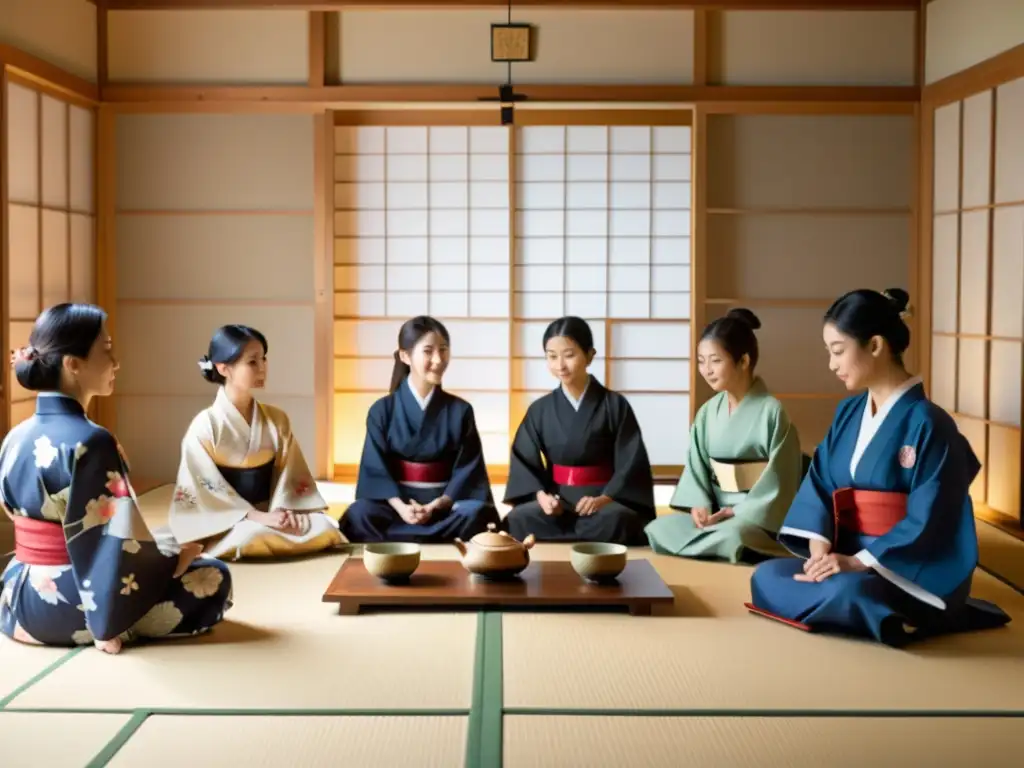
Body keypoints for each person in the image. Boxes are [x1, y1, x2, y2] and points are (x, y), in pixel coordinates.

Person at [747, 289, 1010, 646]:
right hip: (846, 558)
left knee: (852, 591)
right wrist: (821, 552)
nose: (831, 364)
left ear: (875, 345)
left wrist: (859, 562)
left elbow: (932, 518)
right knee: (766, 576)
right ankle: (871, 613)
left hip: (905, 568)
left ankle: (885, 610)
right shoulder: (848, 413)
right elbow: (820, 483)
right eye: (829, 353)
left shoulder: (930, 423)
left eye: (838, 351)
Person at [0, 304, 232, 655]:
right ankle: (107, 622)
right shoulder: (91, 441)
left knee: (169, 544)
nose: (116, 362)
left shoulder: (14, 436)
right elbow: (113, 544)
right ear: (72, 364)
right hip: (69, 603)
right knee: (213, 578)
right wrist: (171, 560)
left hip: (16, 596)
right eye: (106, 350)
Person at [166, 325, 343, 560]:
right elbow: (201, 488)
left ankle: (272, 533)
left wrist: (283, 512)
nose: (262, 369)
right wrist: (254, 516)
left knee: (327, 527)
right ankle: (253, 536)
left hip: (273, 511)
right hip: (228, 520)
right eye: (252, 362)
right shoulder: (205, 425)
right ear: (223, 368)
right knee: (250, 536)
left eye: (264, 359)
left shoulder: (275, 419)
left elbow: (289, 474)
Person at [645, 309, 804, 563]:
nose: (706, 370)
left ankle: (727, 543)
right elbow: (697, 468)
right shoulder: (708, 412)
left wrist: (738, 511)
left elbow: (782, 478)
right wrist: (700, 505)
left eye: (716, 361)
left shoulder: (771, 411)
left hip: (754, 515)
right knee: (659, 528)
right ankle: (717, 543)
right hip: (716, 511)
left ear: (743, 361)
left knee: (735, 534)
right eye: (701, 360)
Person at [340, 316, 499, 543]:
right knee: (359, 514)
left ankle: (409, 535)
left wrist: (437, 504)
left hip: (445, 506)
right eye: (428, 351)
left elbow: (468, 470)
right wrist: (402, 507)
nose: (438, 359)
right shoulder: (382, 410)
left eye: (443, 350)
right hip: (396, 507)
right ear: (405, 356)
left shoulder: (461, 410)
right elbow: (375, 469)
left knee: (477, 513)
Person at [503, 317, 655, 545]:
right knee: (517, 519)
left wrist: (604, 498)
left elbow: (630, 462)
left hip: (602, 501)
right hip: (556, 502)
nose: (560, 365)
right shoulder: (540, 409)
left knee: (621, 520)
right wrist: (541, 497)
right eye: (552, 356)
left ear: (590, 355)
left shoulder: (614, 405)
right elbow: (524, 459)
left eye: (569, 355)